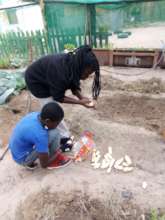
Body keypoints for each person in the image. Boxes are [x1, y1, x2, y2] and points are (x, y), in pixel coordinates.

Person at [24, 45, 101, 145]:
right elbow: (58, 97)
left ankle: (60, 131)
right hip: (35, 81)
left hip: (47, 76)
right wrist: (79, 102)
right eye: (88, 72)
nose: (88, 76)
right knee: (52, 110)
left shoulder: (73, 64)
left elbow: (72, 83)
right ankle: (64, 137)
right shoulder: (60, 71)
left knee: (53, 107)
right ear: (81, 66)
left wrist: (81, 97)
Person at [9, 102, 72, 170]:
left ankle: (43, 153)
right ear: (47, 121)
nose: (57, 125)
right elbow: (44, 165)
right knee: (55, 132)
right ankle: (53, 160)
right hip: (23, 160)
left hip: (17, 153)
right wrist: (60, 150)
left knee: (51, 133)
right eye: (57, 123)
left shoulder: (35, 115)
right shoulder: (40, 135)